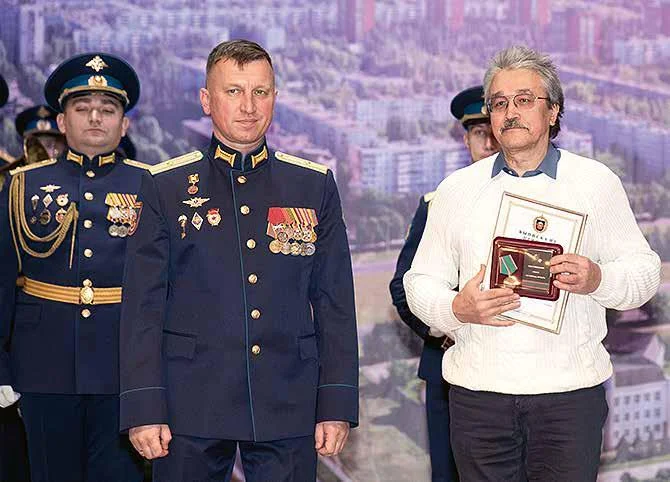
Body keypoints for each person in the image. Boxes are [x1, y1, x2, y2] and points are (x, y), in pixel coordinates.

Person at [403, 45, 661, 481]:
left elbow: (644, 273)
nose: (510, 113)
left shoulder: (596, 183)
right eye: (499, 103)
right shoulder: (456, 190)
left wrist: (598, 278)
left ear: (553, 111)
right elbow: (419, 282)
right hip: (479, 397)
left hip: (568, 398)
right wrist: (455, 308)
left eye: (524, 100)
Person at [119, 39, 358, 482]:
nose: (249, 106)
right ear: (206, 100)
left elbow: (335, 303)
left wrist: (336, 403)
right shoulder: (164, 187)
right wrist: (143, 407)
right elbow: (142, 308)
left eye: (260, 92)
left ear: (275, 98)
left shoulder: (312, 185)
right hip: (190, 404)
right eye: (233, 91)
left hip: (287, 399)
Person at [0, 52, 149, 482]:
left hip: (123, 372)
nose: (95, 118)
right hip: (42, 368)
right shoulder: (22, 186)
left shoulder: (151, 186)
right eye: (82, 109)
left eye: (108, 109)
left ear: (125, 124)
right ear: (62, 122)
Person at [389, 85, 497, 482]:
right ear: (465, 140)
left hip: (518, 374)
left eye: (495, 131)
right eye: (479, 133)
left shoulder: (538, 203)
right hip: (450, 373)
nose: (489, 143)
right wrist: (444, 326)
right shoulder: (438, 203)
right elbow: (402, 286)